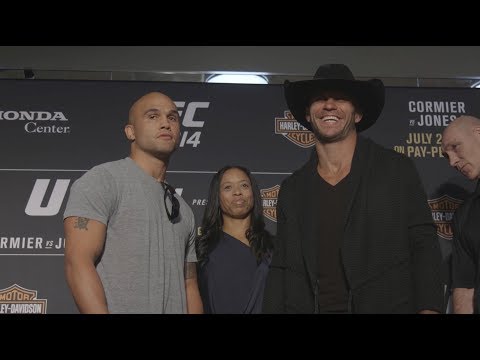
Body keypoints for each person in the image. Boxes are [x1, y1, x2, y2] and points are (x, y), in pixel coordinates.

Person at [262, 64, 444, 314]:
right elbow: (281, 267)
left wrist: (430, 309)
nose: (329, 105)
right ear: (307, 114)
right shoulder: (293, 188)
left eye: (340, 98)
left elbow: (424, 245)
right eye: (320, 98)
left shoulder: (396, 169)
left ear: (357, 113)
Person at [63, 91, 203, 314]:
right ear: (131, 131)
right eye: (153, 116)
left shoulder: (183, 210)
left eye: (172, 117)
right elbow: (78, 262)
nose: (165, 123)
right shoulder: (103, 180)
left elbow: (189, 284)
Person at [196, 165, 274, 313]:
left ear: (253, 192)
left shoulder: (273, 247)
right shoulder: (202, 249)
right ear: (217, 196)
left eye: (244, 185)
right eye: (227, 187)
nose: (237, 192)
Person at [441, 115, 480, 313]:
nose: (453, 162)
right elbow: (464, 287)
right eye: (447, 156)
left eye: (455, 147)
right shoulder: (465, 215)